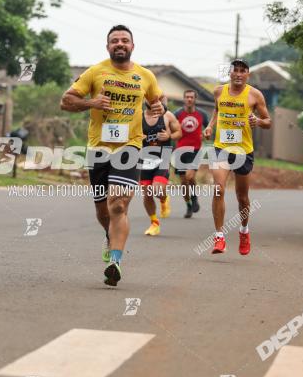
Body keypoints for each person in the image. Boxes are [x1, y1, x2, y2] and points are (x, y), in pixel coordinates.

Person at [60, 25, 163, 286]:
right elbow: (66, 101)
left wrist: (158, 107)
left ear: (132, 46)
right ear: (108, 47)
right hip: (99, 148)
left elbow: (158, 101)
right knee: (103, 209)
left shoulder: (145, 75)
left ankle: (115, 261)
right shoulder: (95, 72)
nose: (120, 43)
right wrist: (91, 103)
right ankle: (109, 235)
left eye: (125, 40)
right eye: (115, 40)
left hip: (130, 146)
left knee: (118, 204)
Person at [203, 59, 272, 255]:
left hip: (243, 151)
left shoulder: (254, 95)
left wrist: (257, 120)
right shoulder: (219, 92)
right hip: (221, 148)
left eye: (243, 71)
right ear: (230, 73)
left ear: (247, 75)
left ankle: (244, 230)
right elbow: (217, 110)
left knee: (242, 197)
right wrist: (210, 126)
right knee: (218, 189)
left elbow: (268, 122)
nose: (239, 74)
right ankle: (219, 237)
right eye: (236, 70)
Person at [140, 98, 182, 235]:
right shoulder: (138, 116)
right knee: (147, 192)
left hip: (163, 156)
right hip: (145, 157)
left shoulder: (167, 115)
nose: (152, 100)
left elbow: (179, 133)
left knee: (157, 190)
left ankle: (164, 199)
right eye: (148, 97)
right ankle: (154, 223)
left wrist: (169, 135)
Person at [173, 89, 210, 218]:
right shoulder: (177, 114)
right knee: (183, 182)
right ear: (184, 99)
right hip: (180, 150)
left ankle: (194, 198)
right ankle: (189, 205)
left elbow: (209, 128)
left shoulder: (202, 114)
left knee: (190, 176)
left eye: (191, 97)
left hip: (195, 150)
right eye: (187, 97)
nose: (189, 99)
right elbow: (170, 127)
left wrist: (206, 133)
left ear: (195, 99)